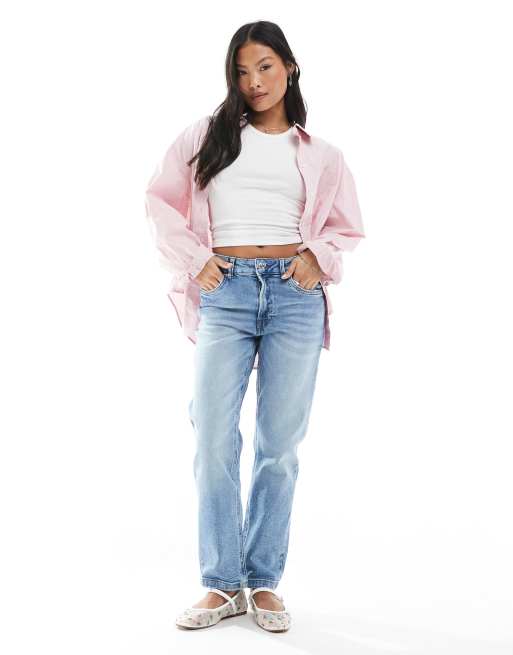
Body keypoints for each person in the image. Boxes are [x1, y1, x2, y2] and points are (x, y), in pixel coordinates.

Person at [144, 20, 365, 632]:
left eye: (265, 67)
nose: (254, 81)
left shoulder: (321, 154)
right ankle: (222, 583)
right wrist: (197, 261)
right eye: (242, 71)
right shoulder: (207, 136)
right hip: (228, 290)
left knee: (279, 445)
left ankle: (263, 581)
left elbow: (346, 226)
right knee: (214, 434)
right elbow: (159, 201)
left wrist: (315, 257)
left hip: (296, 294)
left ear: (289, 67)